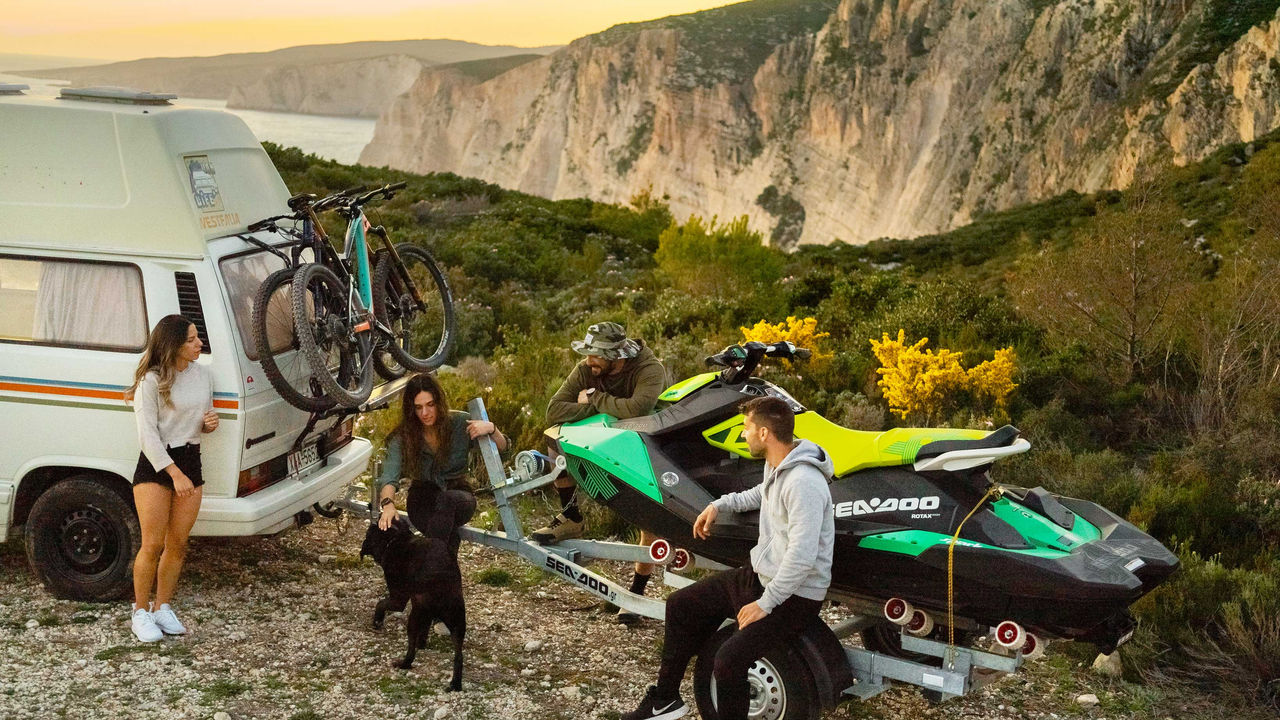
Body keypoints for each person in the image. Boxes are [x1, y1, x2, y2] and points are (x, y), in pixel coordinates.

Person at [621, 396, 835, 720]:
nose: (743, 435)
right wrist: (720, 505)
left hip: (795, 596)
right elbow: (760, 493)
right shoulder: (779, 464)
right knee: (681, 605)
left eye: (746, 428)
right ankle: (665, 700)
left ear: (764, 433)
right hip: (761, 576)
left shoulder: (804, 482)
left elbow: (803, 557)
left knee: (727, 661)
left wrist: (766, 603)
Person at [540, 321, 667, 623]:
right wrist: (598, 410)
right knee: (556, 437)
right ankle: (571, 516)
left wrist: (594, 399)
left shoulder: (650, 369)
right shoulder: (589, 369)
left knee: (646, 521)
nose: (587, 362)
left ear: (616, 355)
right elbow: (554, 409)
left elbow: (638, 408)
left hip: (642, 444)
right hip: (602, 441)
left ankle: (636, 595)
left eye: (595, 356)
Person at [125, 314, 218, 643]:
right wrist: (174, 474)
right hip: (157, 464)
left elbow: (201, 420)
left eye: (198, 338)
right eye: (192, 340)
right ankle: (140, 612)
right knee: (152, 544)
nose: (199, 344)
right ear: (173, 345)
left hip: (190, 459)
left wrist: (208, 424)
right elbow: (147, 437)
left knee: (178, 544)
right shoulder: (150, 381)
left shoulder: (203, 375)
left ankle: (162, 606)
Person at [376, 373, 507, 556]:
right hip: (423, 498)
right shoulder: (403, 436)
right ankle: (442, 576)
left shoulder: (460, 423)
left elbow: (502, 447)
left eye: (430, 405)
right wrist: (388, 505)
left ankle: (427, 567)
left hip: (458, 494)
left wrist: (492, 429)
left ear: (439, 402)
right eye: (418, 407)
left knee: (447, 501)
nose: (425, 413)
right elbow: (389, 476)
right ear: (411, 409)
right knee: (450, 536)